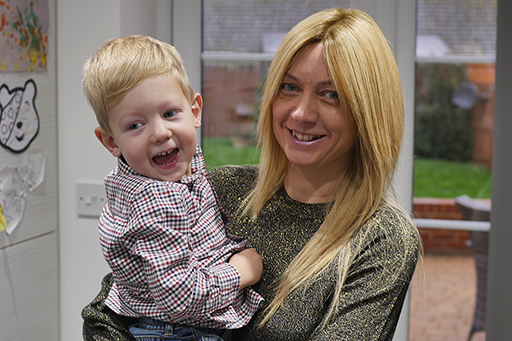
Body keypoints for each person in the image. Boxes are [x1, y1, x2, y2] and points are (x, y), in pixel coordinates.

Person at [82, 8, 421, 340]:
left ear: (369, 111)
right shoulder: (220, 188)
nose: (302, 113)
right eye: (289, 88)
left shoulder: (383, 238)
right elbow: (105, 315)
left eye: (330, 94)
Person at [82, 35, 263, 340]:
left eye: (169, 114)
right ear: (111, 142)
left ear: (194, 111)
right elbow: (180, 299)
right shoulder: (157, 199)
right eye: (135, 125)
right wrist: (240, 272)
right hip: (180, 330)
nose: (160, 133)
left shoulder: (173, 167)